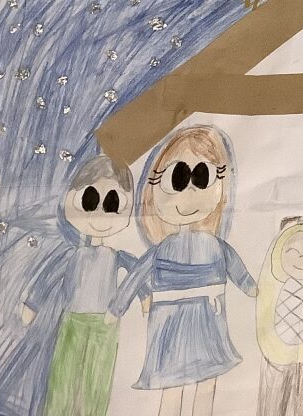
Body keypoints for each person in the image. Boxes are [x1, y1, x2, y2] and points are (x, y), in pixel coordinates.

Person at [109, 125, 256, 416]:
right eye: (178, 178)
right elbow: (136, 276)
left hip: (208, 320)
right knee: (172, 386)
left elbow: (237, 269)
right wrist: (116, 307)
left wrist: (252, 288)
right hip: (169, 322)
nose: (189, 190)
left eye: (201, 177)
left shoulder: (216, 245)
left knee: (206, 384)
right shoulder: (160, 249)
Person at [21, 156, 137, 416]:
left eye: (112, 203)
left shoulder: (118, 257)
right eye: (90, 200)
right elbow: (48, 277)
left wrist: (143, 297)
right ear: (71, 199)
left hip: (105, 326)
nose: (100, 213)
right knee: (63, 377)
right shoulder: (72, 255)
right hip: (72, 321)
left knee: (96, 382)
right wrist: (32, 304)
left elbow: (138, 275)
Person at [256, 217, 303, 416]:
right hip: (276, 353)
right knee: (273, 399)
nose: (302, 259)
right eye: (293, 252)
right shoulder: (277, 284)